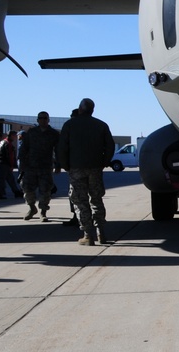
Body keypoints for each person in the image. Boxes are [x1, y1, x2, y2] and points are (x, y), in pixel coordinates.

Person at [57, 98, 115, 245]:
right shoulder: (101, 125)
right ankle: (101, 232)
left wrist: (65, 165)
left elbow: (62, 147)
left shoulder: (70, 125)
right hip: (95, 168)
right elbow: (110, 146)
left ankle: (88, 234)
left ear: (80, 109)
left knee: (80, 200)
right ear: (92, 110)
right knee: (96, 199)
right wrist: (104, 162)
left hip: (76, 168)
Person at [19, 111, 60, 222]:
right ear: (37, 120)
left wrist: (58, 165)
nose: (43, 120)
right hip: (30, 166)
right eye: (41, 118)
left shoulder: (53, 134)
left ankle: (43, 212)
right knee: (27, 189)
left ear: (48, 120)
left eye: (45, 118)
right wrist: (21, 163)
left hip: (45, 167)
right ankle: (32, 208)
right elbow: (24, 148)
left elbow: (58, 150)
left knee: (45, 190)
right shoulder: (31, 132)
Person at [0, 131, 24, 200]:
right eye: (14, 136)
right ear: (11, 136)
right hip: (4, 164)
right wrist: (11, 165)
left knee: (10, 179)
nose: (15, 137)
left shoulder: (2, 142)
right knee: (2, 180)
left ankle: (16, 192)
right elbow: (10, 156)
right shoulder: (8, 144)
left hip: (1, 162)